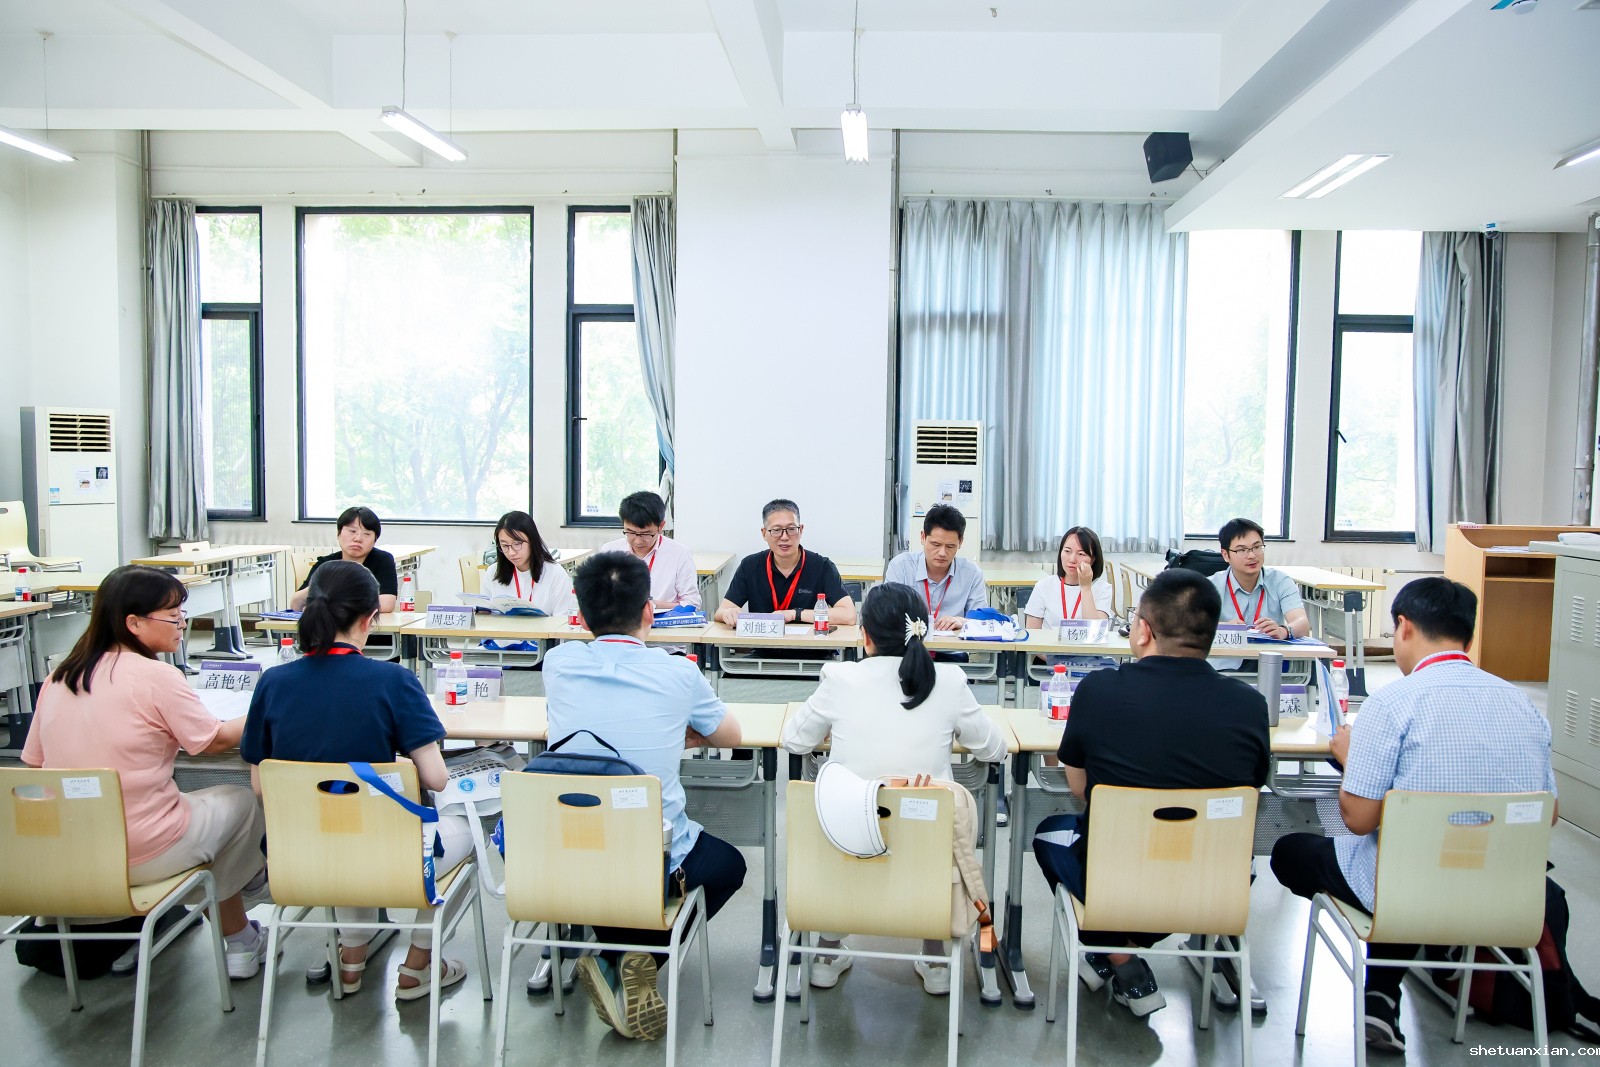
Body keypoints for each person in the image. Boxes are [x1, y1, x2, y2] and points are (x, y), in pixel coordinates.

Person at [1269, 577, 1558, 1054]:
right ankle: (1385, 991)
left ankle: (1383, 991)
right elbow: (1548, 814)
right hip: (1504, 897)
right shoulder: (1521, 703)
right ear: (1468, 634)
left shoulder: (1392, 703)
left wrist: (1353, 760)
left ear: (1403, 627)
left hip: (1404, 890)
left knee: (1296, 851)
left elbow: (1359, 819)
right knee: (1406, 856)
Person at [1032, 568, 1269, 1017]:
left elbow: (1081, 789)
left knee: (1048, 833)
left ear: (1143, 630)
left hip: (1117, 878)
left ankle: (1118, 957)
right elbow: (1250, 791)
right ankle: (1119, 953)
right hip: (1216, 885)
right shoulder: (1250, 704)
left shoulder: (1099, 690)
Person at [21, 565, 269, 978]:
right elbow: (211, 741)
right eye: (173, 616)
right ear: (133, 623)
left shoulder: (59, 677)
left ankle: (241, 934)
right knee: (241, 800)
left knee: (197, 816)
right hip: (145, 852)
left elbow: (33, 764)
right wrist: (265, 709)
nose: (183, 625)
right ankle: (245, 917)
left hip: (68, 854)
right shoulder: (156, 676)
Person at [242, 561, 470, 1001]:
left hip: (299, 861)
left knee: (341, 825)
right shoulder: (394, 681)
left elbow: (260, 786)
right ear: (370, 619)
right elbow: (437, 778)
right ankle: (418, 966)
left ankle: (351, 960)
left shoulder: (273, 683)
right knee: (466, 831)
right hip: (390, 859)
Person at [544, 552, 747, 1041]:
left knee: (610, 867)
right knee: (730, 866)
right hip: (649, 856)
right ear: (649, 611)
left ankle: (614, 957)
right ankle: (640, 959)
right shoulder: (677, 673)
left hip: (564, 851)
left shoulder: (557, 663)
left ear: (581, 614)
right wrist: (678, 730)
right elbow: (732, 735)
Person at [781, 581, 1006, 995]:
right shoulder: (950, 680)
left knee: (842, 812)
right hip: (925, 851)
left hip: (849, 842)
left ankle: (826, 952)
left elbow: (794, 741)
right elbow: (994, 749)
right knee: (925, 819)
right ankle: (935, 953)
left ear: (865, 636)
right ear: (923, 631)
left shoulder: (839, 678)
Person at [713, 498, 857, 627]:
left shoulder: (821, 566)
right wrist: (728, 613)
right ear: (764, 533)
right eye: (776, 530)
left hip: (810, 646)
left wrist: (794, 614)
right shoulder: (750, 565)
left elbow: (849, 615)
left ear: (801, 530)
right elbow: (720, 612)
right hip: (763, 647)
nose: (784, 537)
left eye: (791, 529)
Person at [882, 505, 987, 631]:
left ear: (960, 542)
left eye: (950, 546)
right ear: (923, 537)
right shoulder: (901, 567)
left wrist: (962, 621)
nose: (942, 553)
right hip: (909, 641)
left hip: (953, 643)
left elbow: (983, 623)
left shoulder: (972, 574)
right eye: (936, 544)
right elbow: (887, 614)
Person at [597, 490, 701, 612]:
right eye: (630, 532)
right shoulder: (609, 551)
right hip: (619, 620)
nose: (638, 541)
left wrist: (651, 605)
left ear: (661, 526)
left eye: (646, 534)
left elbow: (692, 604)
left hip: (663, 622)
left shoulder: (679, 553)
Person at [1209, 517, 1308, 640]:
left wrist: (1283, 631)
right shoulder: (1209, 586)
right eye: (1242, 550)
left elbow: (1302, 623)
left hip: (1268, 651)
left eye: (1257, 547)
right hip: (1227, 652)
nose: (1252, 555)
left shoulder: (1280, 581)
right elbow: (1192, 626)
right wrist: (1222, 628)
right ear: (1225, 555)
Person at [291, 505, 398, 613]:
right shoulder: (326, 564)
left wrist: (330, 605)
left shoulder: (382, 560)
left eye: (366, 534)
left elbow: (386, 604)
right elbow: (296, 605)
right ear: (339, 534)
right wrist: (318, 585)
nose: (358, 539)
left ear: (375, 539)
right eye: (352, 531)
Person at [481, 510, 575, 618]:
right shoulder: (493, 572)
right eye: (505, 546)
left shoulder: (555, 574)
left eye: (517, 544)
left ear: (532, 541)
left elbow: (562, 619)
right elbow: (486, 614)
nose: (511, 552)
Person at [1023, 527, 1113, 629]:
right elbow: (1032, 634)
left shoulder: (1103, 589)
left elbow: (1096, 632)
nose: (1072, 559)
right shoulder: (1043, 586)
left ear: (1092, 560)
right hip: (1051, 640)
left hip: (1086, 640)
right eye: (1067, 551)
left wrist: (1086, 588)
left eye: (1081, 554)